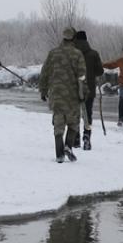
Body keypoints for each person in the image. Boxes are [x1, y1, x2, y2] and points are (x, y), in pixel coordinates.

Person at [40, 27, 87, 163]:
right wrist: (84, 93)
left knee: (58, 124)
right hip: (72, 95)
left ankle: (59, 154)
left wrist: (43, 90)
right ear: (74, 38)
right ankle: (68, 146)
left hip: (56, 95)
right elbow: (82, 76)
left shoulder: (53, 53)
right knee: (73, 123)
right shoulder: (77, 54)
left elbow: (45, 73)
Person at [72, 30, 104, 150]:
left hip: (74, 88)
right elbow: (100, 71)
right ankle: (87, 137)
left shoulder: (72, 53)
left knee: (75, 114)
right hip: (89, 89)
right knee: (87, 114)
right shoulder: (93, 54)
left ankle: (75, 138)